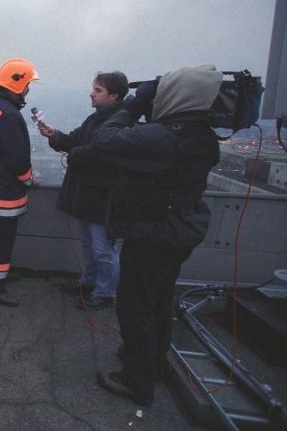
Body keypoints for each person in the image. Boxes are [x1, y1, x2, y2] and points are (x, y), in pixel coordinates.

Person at [67, 65, 222, 405]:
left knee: (135, 304)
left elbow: (104, 141)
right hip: (179, 232)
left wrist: (133, 106)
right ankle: (153, 364)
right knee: (158, 300)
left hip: (154, 233)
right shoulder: (202, 135)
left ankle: (137, 381)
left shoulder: (164, 136)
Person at [37, 72, 129, 309]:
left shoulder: (122, 124)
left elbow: (98, 155)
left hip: (103, 199)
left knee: (103, 249)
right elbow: (73, 140)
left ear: (115, 95)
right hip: (87, 196)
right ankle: (88, 283)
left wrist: (76, 155)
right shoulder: (96, 119)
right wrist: (54, 135)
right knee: (88, 245)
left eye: (98, 90)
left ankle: (105, 293)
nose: (92, 93)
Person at [0, 57, 40, 307]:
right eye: (27, 85)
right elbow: (18, 160)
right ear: (17, 85)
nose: (27, 90)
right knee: (1, 241)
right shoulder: (10, 116)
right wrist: (28, 180)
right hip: (7, 192)